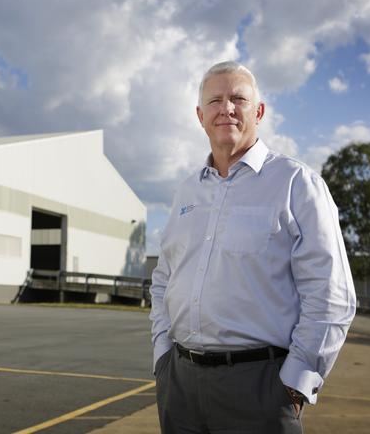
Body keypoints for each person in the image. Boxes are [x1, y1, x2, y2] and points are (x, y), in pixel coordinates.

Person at [149, 61, 356, 434]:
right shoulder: (186, 192)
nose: (226, 109)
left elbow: (331, 295)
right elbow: (164, 278)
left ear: (258, 111)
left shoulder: (297, 184)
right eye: (214, 101)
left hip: (261, 387)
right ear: (200, 115)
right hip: (179, 385)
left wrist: (294, 383)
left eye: (237, 99)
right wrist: (163, 357)